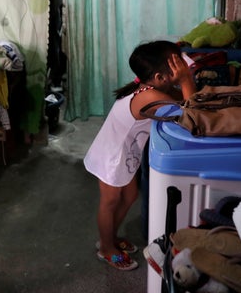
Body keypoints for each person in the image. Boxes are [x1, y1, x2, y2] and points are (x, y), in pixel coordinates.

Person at [83, 40, 196, 271]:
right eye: (176, 64)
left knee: (130, 195)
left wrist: (184, 79)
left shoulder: (154, 88)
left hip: (123, 154)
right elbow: (193, 114)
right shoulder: (149, 96)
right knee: (110, 201)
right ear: (160, 76)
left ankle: (111, 237)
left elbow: (186, 102)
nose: (182, 66)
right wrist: (185, 80)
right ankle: (106, 247)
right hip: (111, 156)